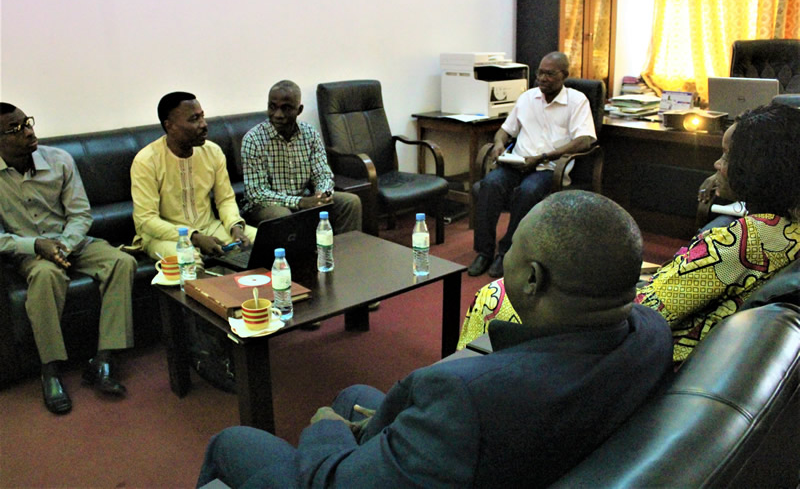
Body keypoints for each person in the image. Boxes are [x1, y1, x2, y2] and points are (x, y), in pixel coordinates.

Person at [196, 190, 673, 488]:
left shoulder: (466, 398)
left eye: (512, 252)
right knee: (352, 395)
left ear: (532, 279)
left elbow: (331, 481)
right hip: (529, 451)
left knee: (231, 441)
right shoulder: (652, 332)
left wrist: (324, 428)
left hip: (471, 448)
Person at [636, 102, 800, 363]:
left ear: (756, 166)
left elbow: (645, 311)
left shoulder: (737, 243)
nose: (716, 163)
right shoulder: (788, 228)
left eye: (726, 156)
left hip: (659, 358)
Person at [0, 103, 137, 414]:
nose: (29, 131)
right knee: (47, 275)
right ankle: (49, 370)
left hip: (73, 241)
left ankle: (103, 359)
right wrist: (37, 245)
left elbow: (80, 213)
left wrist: (63, 245)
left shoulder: (59, 159)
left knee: (121, 262)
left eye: (27, 123)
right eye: (15, 129)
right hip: (29, 251)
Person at [469, 52, 596, 278]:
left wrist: (545, 156)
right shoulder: (527, 98)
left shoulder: (577, 101)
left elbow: (586, 139)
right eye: (540, 73)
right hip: (516, 163)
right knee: (489, 184)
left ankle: (507, 252)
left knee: (528, 192)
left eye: (550, 74)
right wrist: (499, 144)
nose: (542, 78)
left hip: (549, 168)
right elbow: (505, 130)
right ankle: (484, 252)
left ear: (564, 75)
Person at [131, 92, 256, 262]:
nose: (203, 125)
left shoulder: (213, 152)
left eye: (202, 116)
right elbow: (146, 219)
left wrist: (236, 227)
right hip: (163, 237)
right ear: (170, 126)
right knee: (188, 257)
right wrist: (194, 237)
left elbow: (225, 200)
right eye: (194, 119)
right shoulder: (147, 161)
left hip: (209, 227)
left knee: (263, 241)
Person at [240, 80, 361, 233]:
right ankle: (293, 257)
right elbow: (257, 194)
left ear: (299, 110)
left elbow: (322, 174)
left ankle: (345, 253)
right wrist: (300, 202)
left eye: (286, 108)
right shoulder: (253, 139)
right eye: (272, 107)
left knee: (350, 202)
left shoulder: (310, 134)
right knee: (282, 215)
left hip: (306, 198)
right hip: (265, 205)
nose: (278, 115)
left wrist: (322, 194)